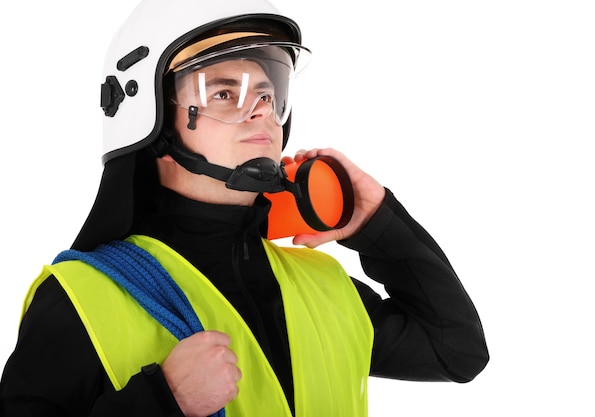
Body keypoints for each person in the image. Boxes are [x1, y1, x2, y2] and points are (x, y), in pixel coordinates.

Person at [0, 0, 489, 415]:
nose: (260, 110)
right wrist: (161, 402)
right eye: (224, 92)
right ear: (150, 118)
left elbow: (458, 352)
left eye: (266, 93)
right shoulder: (82, 299)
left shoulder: (325, 284)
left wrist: (378, 222)